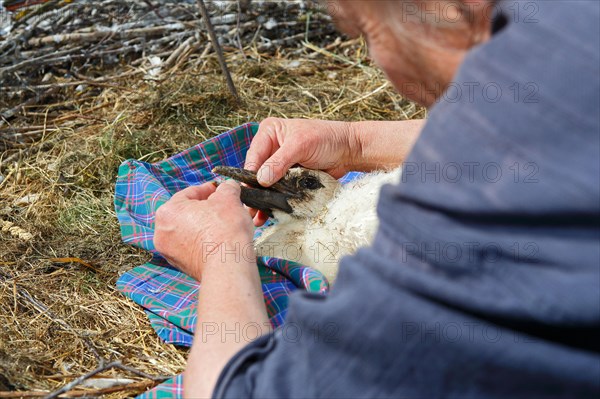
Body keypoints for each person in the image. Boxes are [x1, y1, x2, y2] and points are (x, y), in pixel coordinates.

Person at [153, 0, 600, 397]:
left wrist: (220, 253)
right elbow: (523, 125)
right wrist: (355, 143)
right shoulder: (569, 30)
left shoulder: (456, 231)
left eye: (366, 34)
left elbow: (239, 390)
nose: (372, 58)